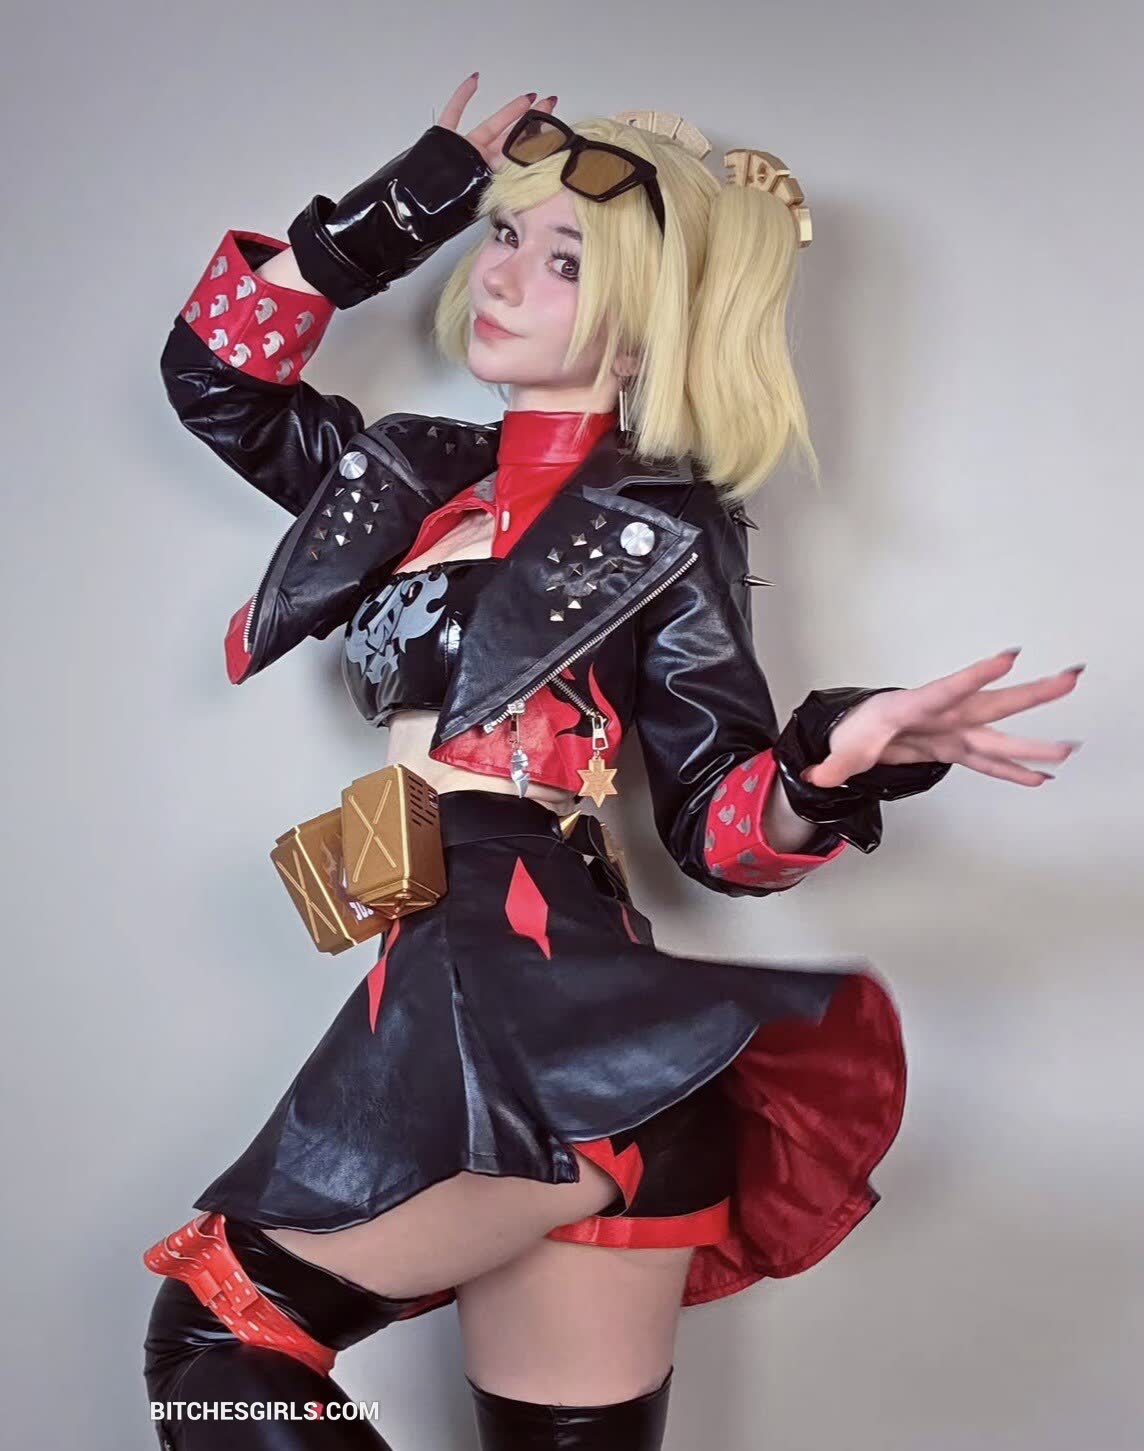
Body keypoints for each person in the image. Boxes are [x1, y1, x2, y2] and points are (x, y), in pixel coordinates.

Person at [141, 76, 1084, 1450]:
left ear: (646, 327)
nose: (502, 273)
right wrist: (406, 202)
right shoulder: (405, 477)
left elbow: (717, 830)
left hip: (543, 1014)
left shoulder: (666, 526)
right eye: (504, 235)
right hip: (495, 1007)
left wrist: (830, 766)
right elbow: (216, 375)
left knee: (219, 1342)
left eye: (566, 259)